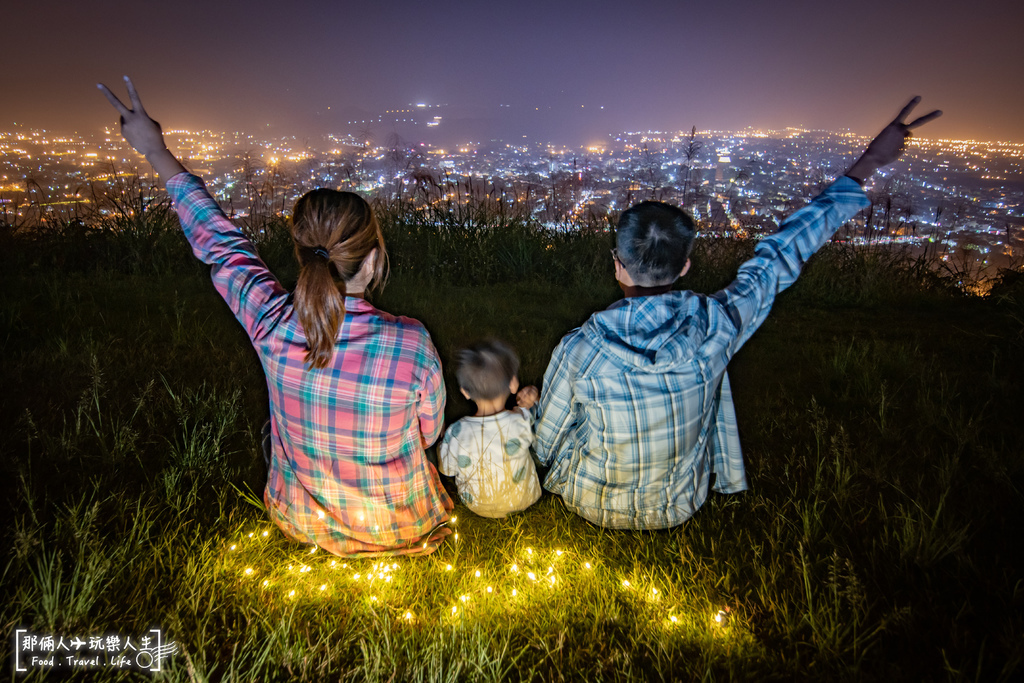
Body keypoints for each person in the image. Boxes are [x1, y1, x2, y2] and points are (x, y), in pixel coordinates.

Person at [534, 98, 941, 530]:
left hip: (590, 502)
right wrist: (871, 160)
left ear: (617, 263)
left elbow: (545, 445)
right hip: (678, 506)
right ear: (686, 266)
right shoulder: (717, 324)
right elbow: (781, 254)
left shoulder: (581, 348)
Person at [99, 77, 453, 556]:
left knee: (275, 433)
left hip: (303, 525)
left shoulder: (271, 321)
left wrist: (154, 150)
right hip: (401, 528)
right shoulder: (411, 343)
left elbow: (223, 248)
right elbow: (428, 432)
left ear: (303, 254)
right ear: (371, 261)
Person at [438, 340, 543, 518]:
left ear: (465, 391)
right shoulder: (521, 420)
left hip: (478, 506)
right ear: (513, 383)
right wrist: (533, 396)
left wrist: (443, 437)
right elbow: (535, 413)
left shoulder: (457, 433)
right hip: (524, 499)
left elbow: (446, 469)